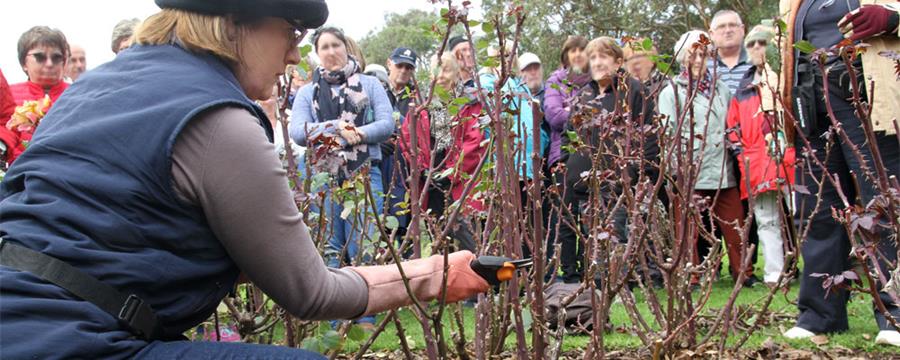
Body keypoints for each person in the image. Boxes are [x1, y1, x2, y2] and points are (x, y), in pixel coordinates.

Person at [0, 1, 490, 358]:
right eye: (291, 33)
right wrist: (436, 276)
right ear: (234, 22)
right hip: (72, 342)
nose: (296, 55)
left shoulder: (93, 87)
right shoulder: (217, 118)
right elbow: (311, 292)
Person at [781, 0, 900, 346]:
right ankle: (820, 314)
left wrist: (893, 19)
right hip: (811, 103)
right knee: (819, 210)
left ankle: (895, 314)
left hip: (869, 98)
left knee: (884, 206)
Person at [288, 26, 397, 328]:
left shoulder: (370, 84)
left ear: (346, 48)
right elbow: (298, 132)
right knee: (330, 248)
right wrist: (338, 128)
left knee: (363, 243)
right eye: (324, 47)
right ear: (317, 54)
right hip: (323, 180)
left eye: (336, 45)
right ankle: (335, 321)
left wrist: (357, 134)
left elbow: (387, 124)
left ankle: (366, 317)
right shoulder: (307, 93)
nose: (331, 51)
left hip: (364, 174)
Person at [657, 30, 756, 286]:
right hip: (690, 174)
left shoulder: (721, 89)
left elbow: (732, 126)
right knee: (688, 230)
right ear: (682, 57)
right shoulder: (671, 92)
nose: (698, 60)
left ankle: (743, 273)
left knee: (735, 228)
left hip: (724, 171)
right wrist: (677, 172)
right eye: (693, 54)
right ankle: (691, 277)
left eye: (703, 54)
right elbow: (668, 135)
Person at [556, 37, 647, 284]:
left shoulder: (633, 91)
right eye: (593, 57)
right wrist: (569, 165)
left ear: (618, 62)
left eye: (603, 57)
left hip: (618, 183)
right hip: (585, 184)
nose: (597, 62)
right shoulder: (583, 95)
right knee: (592, 236)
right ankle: (599, 285)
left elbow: (646, 134)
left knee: (615, 235)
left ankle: (616, 286)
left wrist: (635, 173)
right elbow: (568, 136)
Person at [725, 24, 796, 287]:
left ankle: (817, 271)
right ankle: (774, 275)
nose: (756, 48)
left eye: (762, 42)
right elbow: (732, 127)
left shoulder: (787, 79)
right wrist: (742, 151)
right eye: (752, 44)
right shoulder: (743, 88)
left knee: (803, 217)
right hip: (757, 164)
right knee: (767, 221)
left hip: (791, 158)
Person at [543, 35, 591, 282]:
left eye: (582, 50)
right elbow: (555, 117)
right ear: (565, 56)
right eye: (572, 51)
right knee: (567, 215)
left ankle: (590, 270)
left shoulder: (597, 80)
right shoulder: (555, 81)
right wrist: (586, 113)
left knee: (592, 216)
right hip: (562, 155)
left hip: (593, 153)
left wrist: (573, 112)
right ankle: (570, 273)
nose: (577, 55)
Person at [6, 26, 71, 165]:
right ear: (24, 63)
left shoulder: (79, 95)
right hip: (16, 174)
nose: (49, 64)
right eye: (40, 57)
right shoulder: (7, 96)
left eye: (56, 57)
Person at [709, 10, 753, 94]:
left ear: (742, 30)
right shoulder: (701, 63)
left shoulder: (758, 59)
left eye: (732, 25)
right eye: (721, 26)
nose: (728, 30)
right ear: (711, 34)